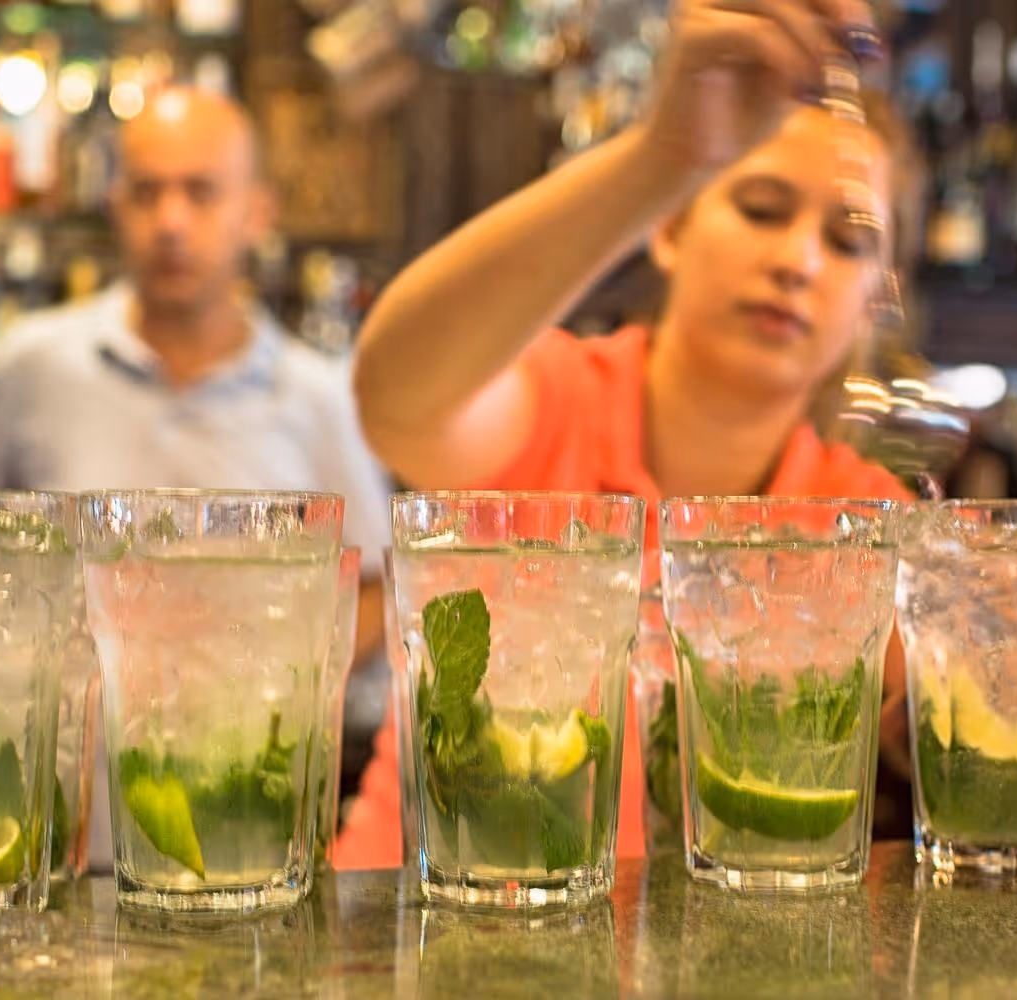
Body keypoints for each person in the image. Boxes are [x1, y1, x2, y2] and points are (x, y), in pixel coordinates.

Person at [338, 0, 919, 866]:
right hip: (412, 940)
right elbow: (395, 391)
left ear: (874, 295)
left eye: (845, 239)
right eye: (760, 207)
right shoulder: (559, 401)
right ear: (673, 226)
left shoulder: (867, 520)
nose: (798, 260)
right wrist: (665, 155)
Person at [0, 88, 392, 869]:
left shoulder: (320, 395)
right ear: (114, 205)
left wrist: (278, 689)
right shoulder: (38, 365)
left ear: (258, 212)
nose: (172, 221)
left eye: (201, 191)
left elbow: (376, 581)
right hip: (54, 834)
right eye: (147, 192)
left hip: (245, 833)